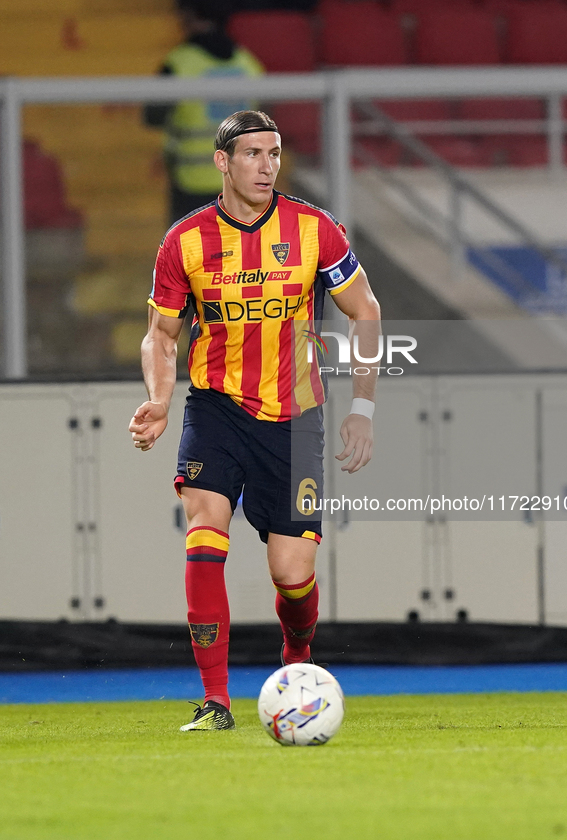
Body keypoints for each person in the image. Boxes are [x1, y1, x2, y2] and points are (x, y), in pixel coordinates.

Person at [129, 109, 381, 731]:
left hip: (295, 418)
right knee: (205, 531)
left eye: (274, 154)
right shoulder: (184, 240)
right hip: (215, 406)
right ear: (222, 161)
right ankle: (216, 700)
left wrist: (363, 408)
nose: (268, 166)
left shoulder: (315, 229)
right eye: (253, 154)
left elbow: (366, 312)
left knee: (292, 576)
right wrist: (160, 399)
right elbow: (161, 335)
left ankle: (297, 655)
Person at [144, 0, 264, 225]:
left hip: (191, 185)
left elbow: (152, 117)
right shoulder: (249, 64)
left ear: (189, 14)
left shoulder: (179, 64)